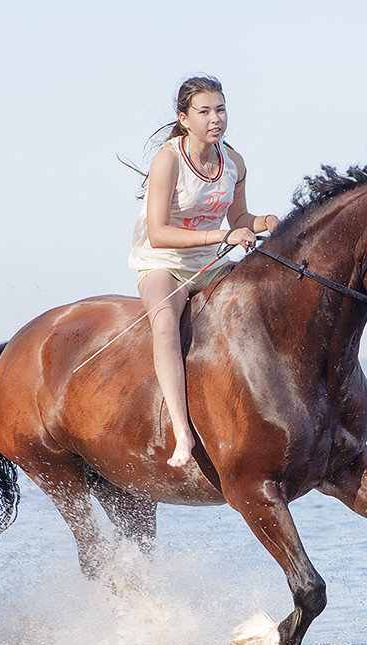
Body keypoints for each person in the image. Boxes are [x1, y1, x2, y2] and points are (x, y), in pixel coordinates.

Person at [129, 76, 279, 468]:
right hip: (163, 265)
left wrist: (265, 221)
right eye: (205, 111)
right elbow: (159, 233)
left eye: (221, 109)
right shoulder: (168, 159)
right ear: (184, 118)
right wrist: (226, 234)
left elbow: (241, 216)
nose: (216, 119)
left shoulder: (234, 162)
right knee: (164, 323)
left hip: (209, 264)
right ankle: (182, 431)